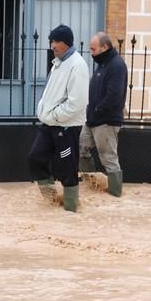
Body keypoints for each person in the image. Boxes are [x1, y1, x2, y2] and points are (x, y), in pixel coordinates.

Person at [28, 24, 89, 212]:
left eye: (56, 41)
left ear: (67, 43)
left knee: (67, 168)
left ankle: (71, 210)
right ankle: (51, 199)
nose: (52, 45)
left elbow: (77, 103)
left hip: (66, 127)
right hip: (49, 124)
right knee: (35, 157)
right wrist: (44, 112)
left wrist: (54, 115)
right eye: (51, 41)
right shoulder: (58, 63)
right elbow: (50, 94)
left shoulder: (77, 65)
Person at [79, 32, 128, 197]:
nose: (91, 53)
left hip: (106, 121)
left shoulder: (116, 65)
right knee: (81, 148)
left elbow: (114, 95)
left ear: (104, 47)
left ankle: (115, 194)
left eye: (93, 49)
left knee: (108, 157)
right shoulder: (103, 64)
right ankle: (92, 185)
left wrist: (99, 109)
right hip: (92, 119)